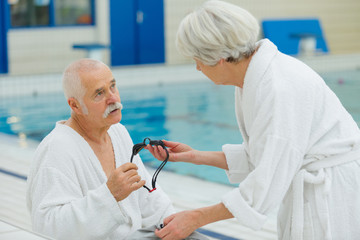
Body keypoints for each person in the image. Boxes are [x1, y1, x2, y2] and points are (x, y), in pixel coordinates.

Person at [146, 1, 360, 239]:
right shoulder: (256, 76)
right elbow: (262, 155)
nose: (197, 67)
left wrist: (196, 218)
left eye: (197, 59)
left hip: (332, 198)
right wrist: (193, 156)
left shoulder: (278, 89)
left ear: (218, 58)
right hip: (317, 185)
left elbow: (265, 183)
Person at [26, 59, 177, 239]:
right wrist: (109, 195)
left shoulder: (117, 132)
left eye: (113, 86)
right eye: (99, 93)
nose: (113, 98)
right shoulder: (57, 150)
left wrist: (173, 222)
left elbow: (147, 194)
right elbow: (47, 228)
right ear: (75, 105)